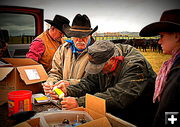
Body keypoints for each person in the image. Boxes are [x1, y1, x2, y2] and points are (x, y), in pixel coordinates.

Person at [57, 40, 157, 127]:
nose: (98, 71)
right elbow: (89, 82)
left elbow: (118, 96)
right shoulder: (101, 57)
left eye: (100, 68)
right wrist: (69, 90)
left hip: (139, 114)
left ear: (112, 60)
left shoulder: (135, 66)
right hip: (118, 111)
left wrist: (80, 102)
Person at [139, 9, 180, 127]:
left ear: (177, 36)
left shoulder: (177, 72)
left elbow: (171, 113)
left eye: (162, 36)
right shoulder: (173, 66)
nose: (159, 41)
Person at [43, 14, 98, 96]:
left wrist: (70, 83)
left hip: (85, 98)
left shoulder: (97, 53)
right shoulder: (63, 49)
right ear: (71, 36)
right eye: (76, 36)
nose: (79, 40)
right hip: (63, 95)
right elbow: (55, 72)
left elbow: (94, 82)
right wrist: (51, 83)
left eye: (84, 36)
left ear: (90, 35)